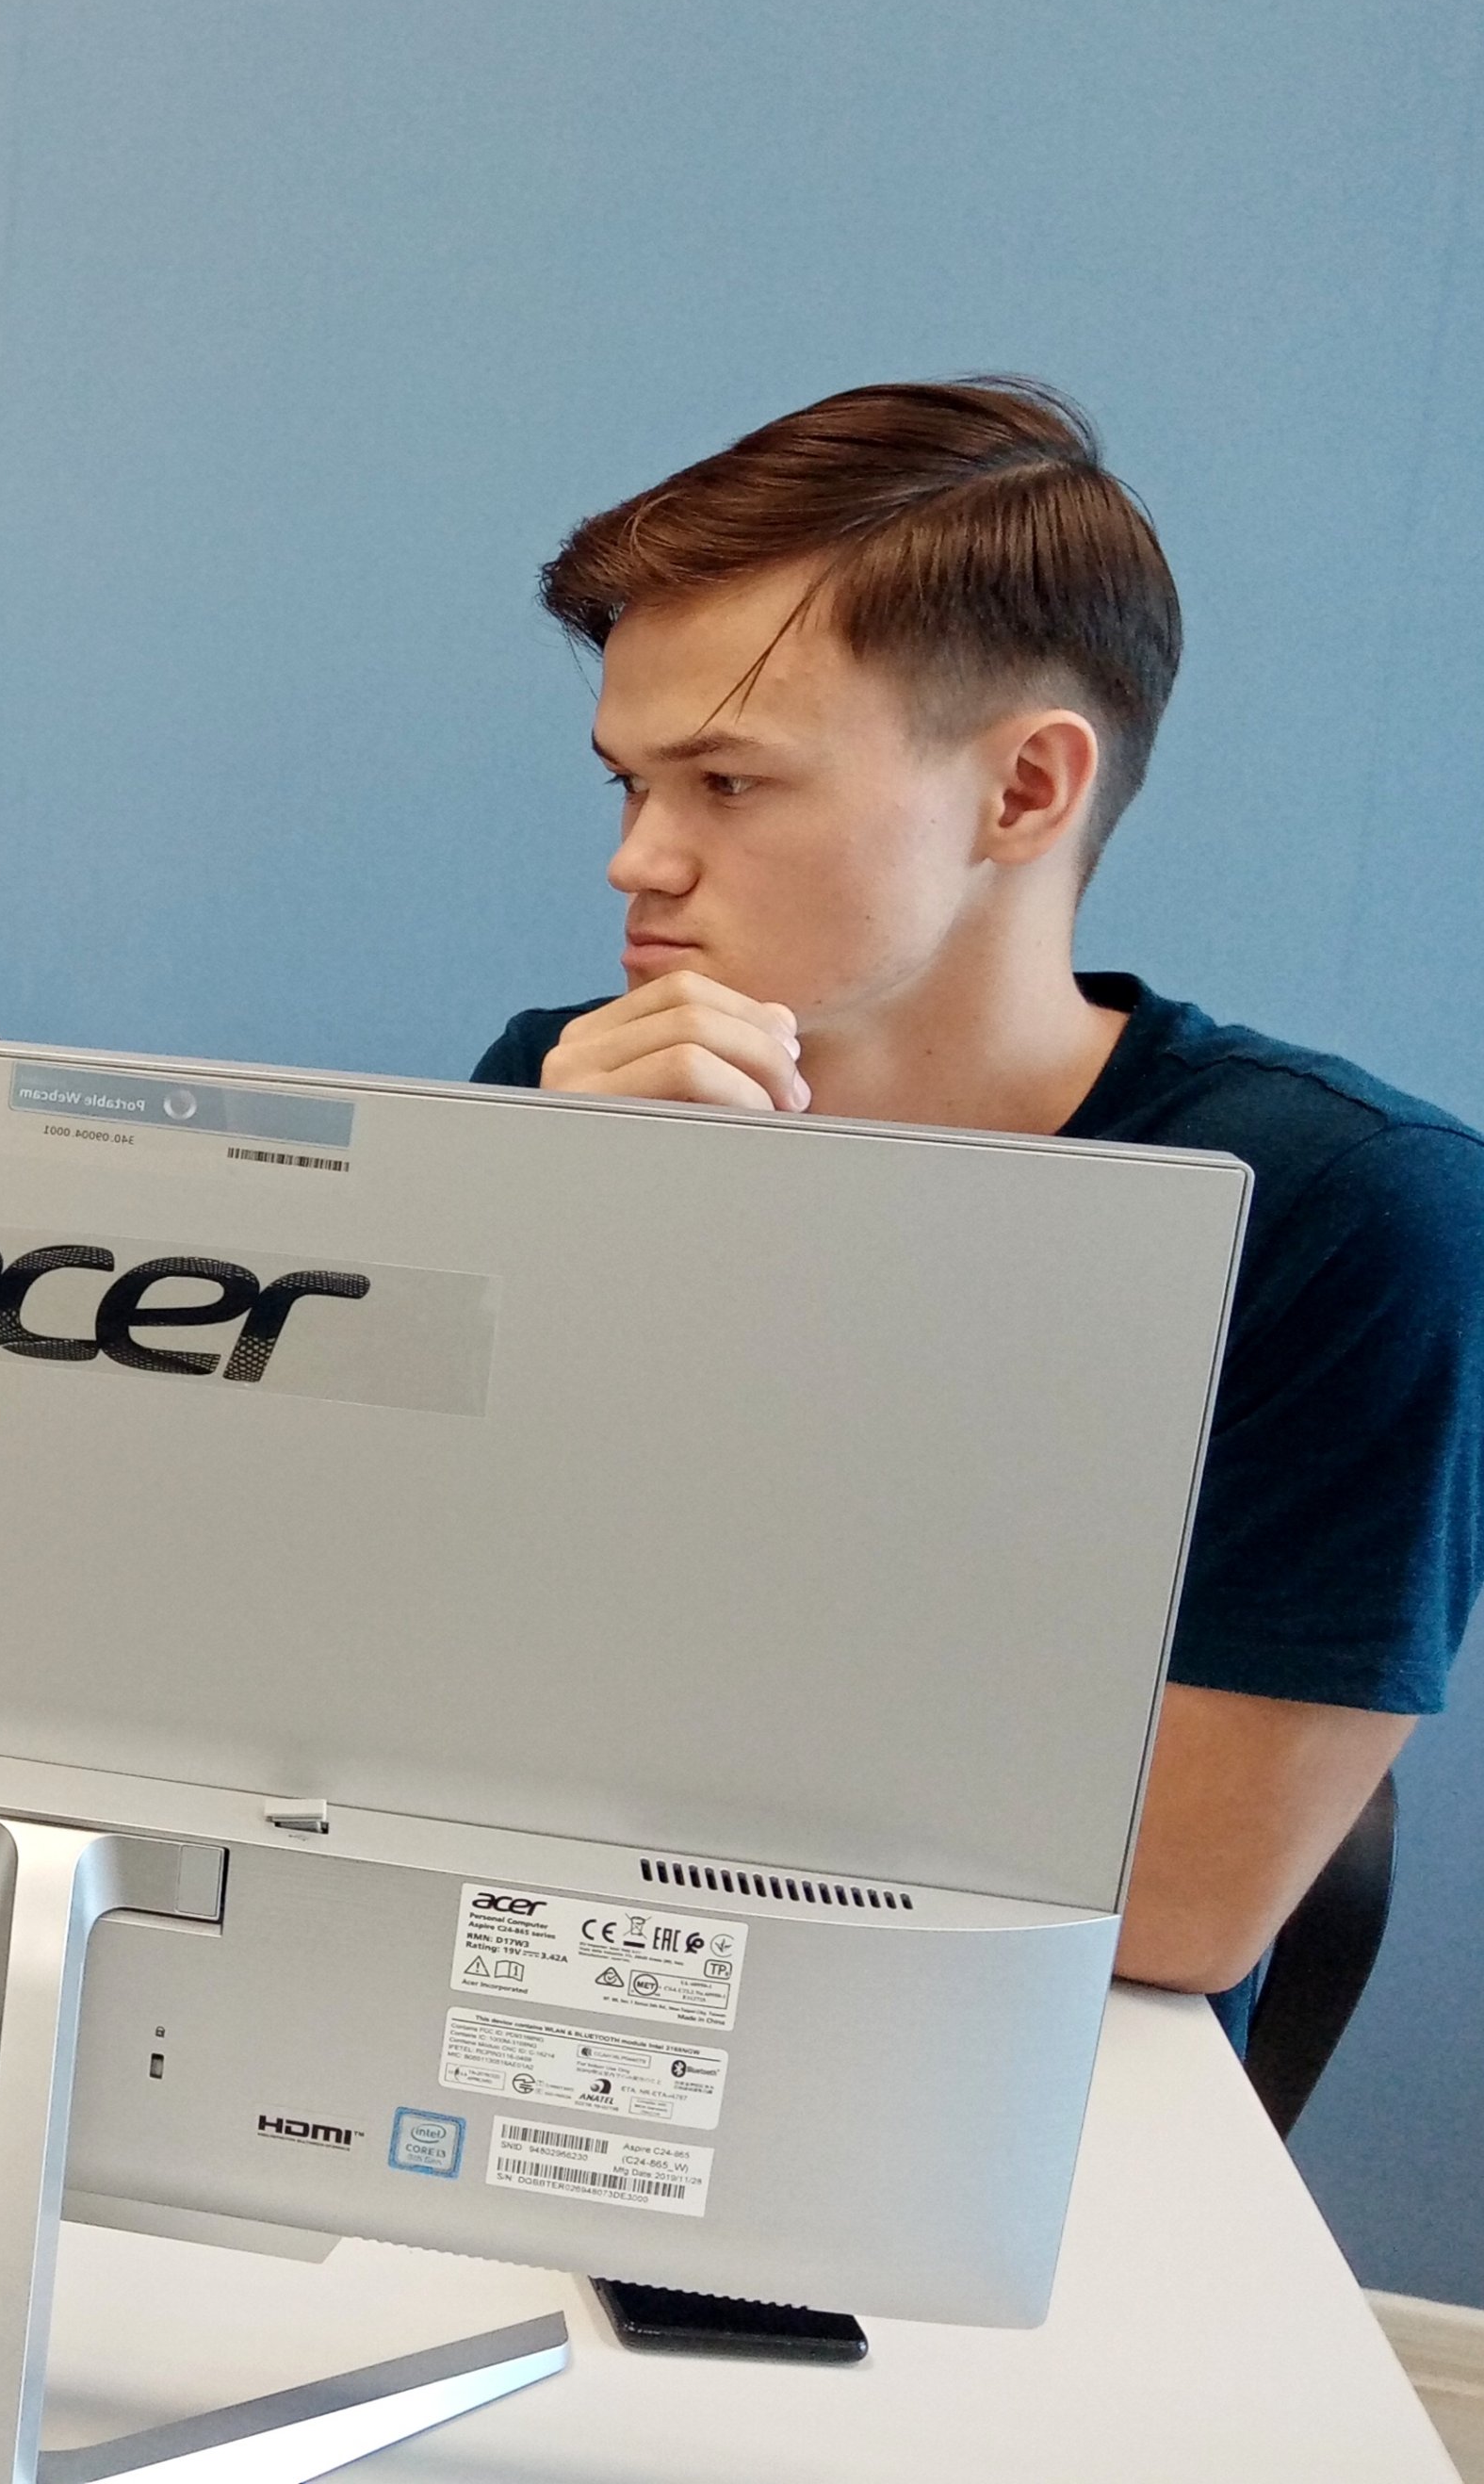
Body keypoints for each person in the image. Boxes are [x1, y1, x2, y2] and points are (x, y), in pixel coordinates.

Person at [469, 377, 1484, 2045]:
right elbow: (417, 1715)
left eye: (727, 783)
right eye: (628, 785)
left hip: (1015, 2061)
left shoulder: (1344, 1211)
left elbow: (1179, 1898)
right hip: (560, 1988)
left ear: (1023, 793)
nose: (638, 861)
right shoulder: (578, 1093)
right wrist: (605, 1248)